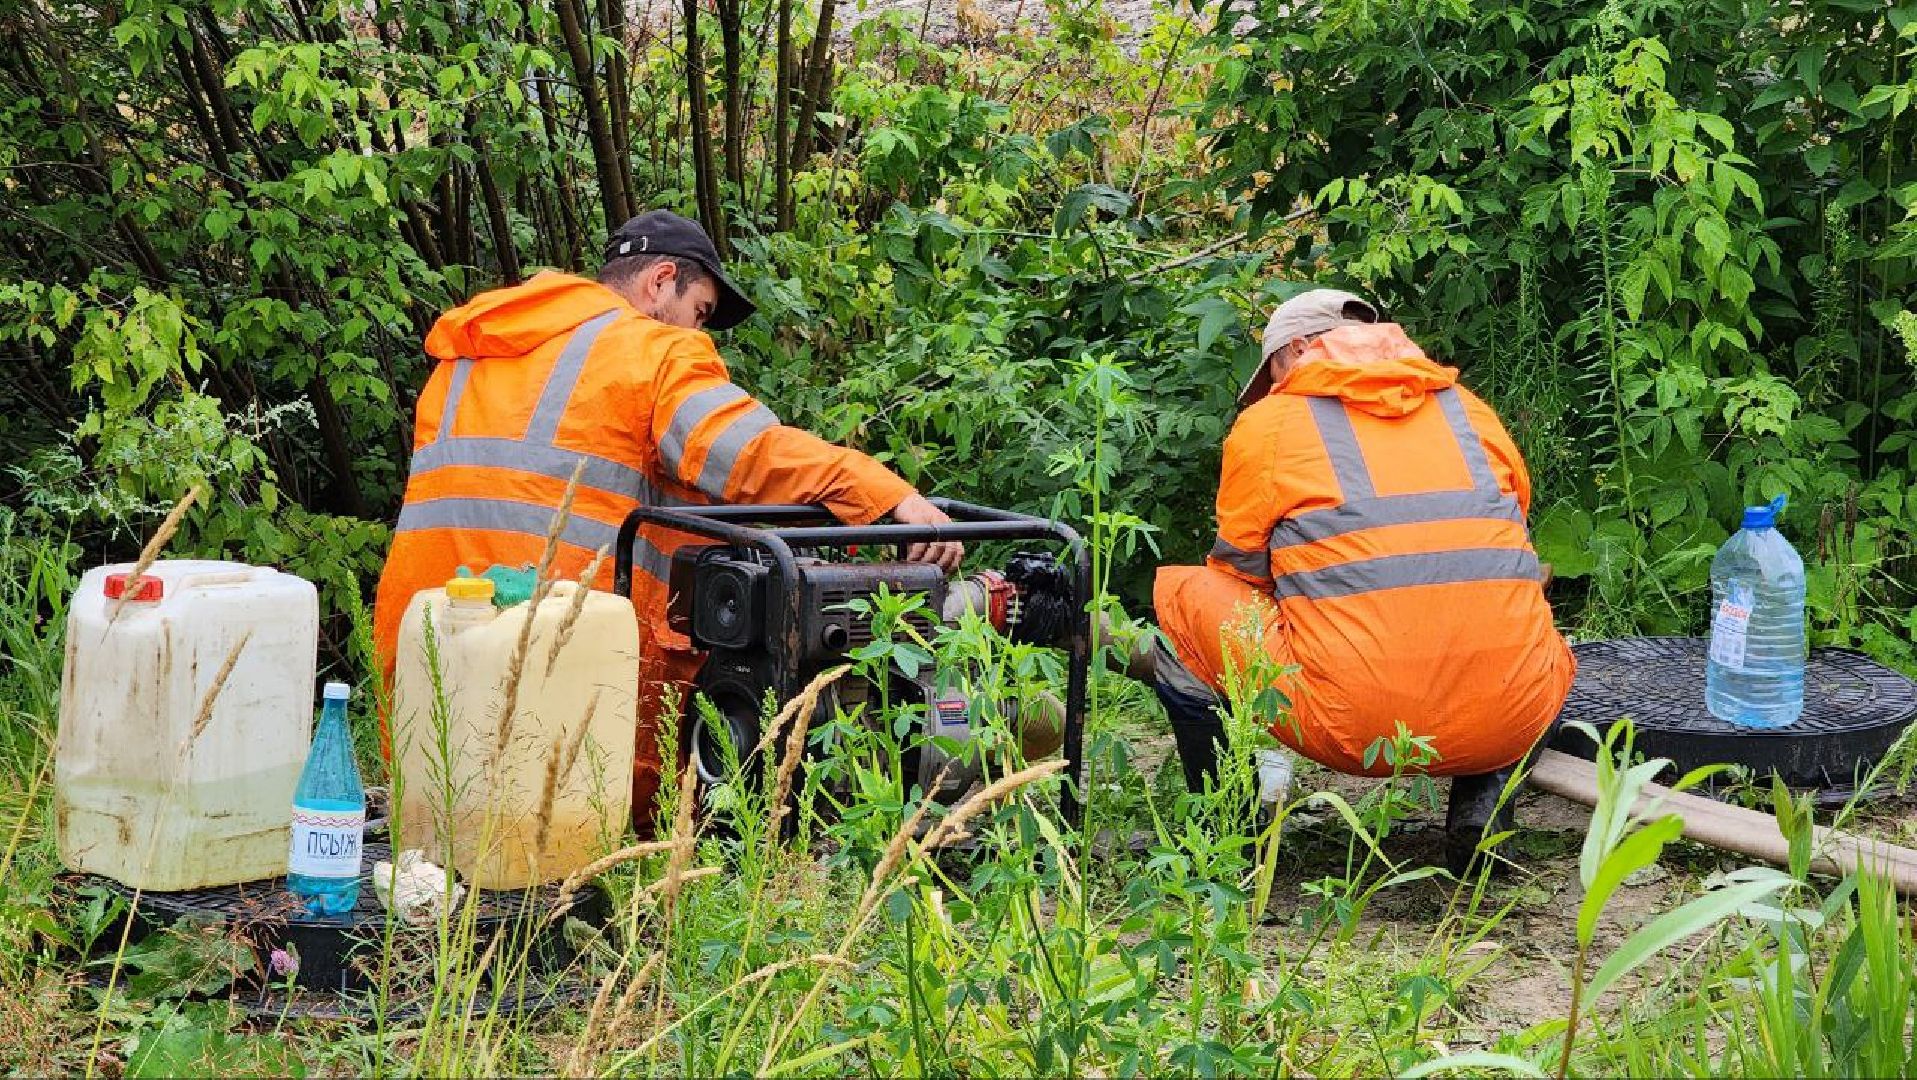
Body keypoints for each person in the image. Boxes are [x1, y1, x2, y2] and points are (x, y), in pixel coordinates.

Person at [372, 210, 962, 832]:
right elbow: (747, 452)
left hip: (430, 651)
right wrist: (883, 494)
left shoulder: (468, 357)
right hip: (566, 661)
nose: (700, 331)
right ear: (660, 281)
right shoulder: (651, 352)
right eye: (701, 311)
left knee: (445, 840)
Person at [1142, 288, 1575, 871]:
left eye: (1271, 370)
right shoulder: (1469, 410)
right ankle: (1485, 808)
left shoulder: (1270, 423)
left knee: (1184, 599)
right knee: (1522, 614)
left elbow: (1240, 572)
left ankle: (1230, 834)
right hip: (1507, 714)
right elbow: (1502, 535)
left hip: (1352, 725)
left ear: (1296, 349)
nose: (1270, 388)